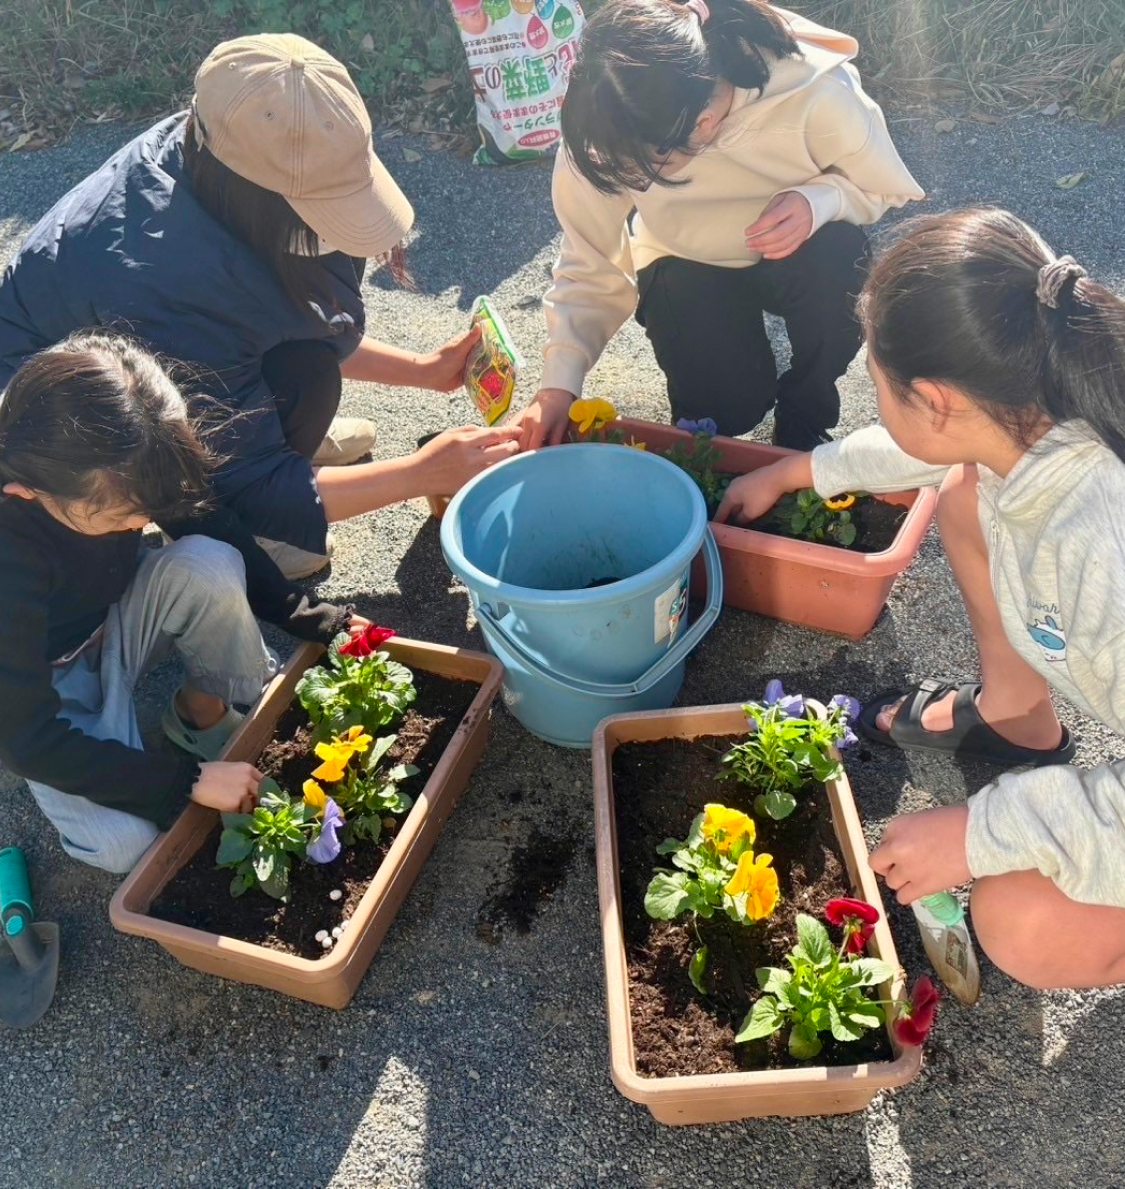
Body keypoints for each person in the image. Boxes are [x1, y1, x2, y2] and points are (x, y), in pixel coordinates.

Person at [716, 207, 1125, 993]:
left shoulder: (1099, 550)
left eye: (880, 388)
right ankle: (1014, 711)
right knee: (965, 488)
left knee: (1020, 919)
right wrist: (795, 472)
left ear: (934, 398)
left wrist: (977, 832)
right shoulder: (1050, 390)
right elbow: (923, 446)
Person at [0, 33, 519, 587]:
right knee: (262, 445)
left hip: (183, 347)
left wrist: (422, 371)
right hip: (69, 443)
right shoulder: (171, 282)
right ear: (257, 199)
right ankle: (242, 537)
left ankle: (284, 447)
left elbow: (298, 310)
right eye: (323, 212)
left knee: (309, 371)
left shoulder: (224, 146)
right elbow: (249, 478)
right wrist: (424, 472)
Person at [518, 0, 923, 453]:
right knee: (723, 411)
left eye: (647, 165)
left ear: (706, 122)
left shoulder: (816, 91)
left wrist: (823, 200)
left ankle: (804, 415)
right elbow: (590, 261)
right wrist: (558, 383)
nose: (625, 172)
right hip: (686, 261)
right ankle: (713, 433)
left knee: (837, 262)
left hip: (800, 254)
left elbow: (885, 187)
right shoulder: (609, 120)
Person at [0, 331, 286, 875]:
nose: (141, 525)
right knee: (124, 846)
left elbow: (204, 520)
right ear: (26, 496)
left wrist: (317, 618)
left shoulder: (98, 443)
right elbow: (25, 740)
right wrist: (187, 784)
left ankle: (200, 715)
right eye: (119, 519)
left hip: (108, 617)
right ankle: (158, 748)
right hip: (38, 689)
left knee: (209, 565)